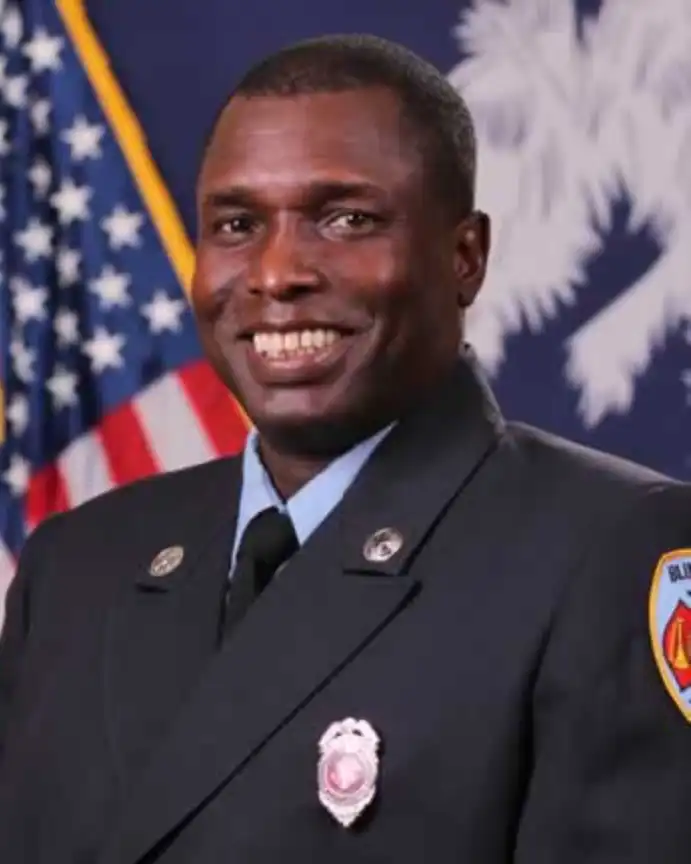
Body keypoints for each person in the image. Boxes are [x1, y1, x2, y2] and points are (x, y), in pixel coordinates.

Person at [0, 32, 690, 864]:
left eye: (346, 219)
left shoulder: (607, 553)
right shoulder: (78, 564)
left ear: (464, 257)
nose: (276, 271)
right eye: (236, 223)